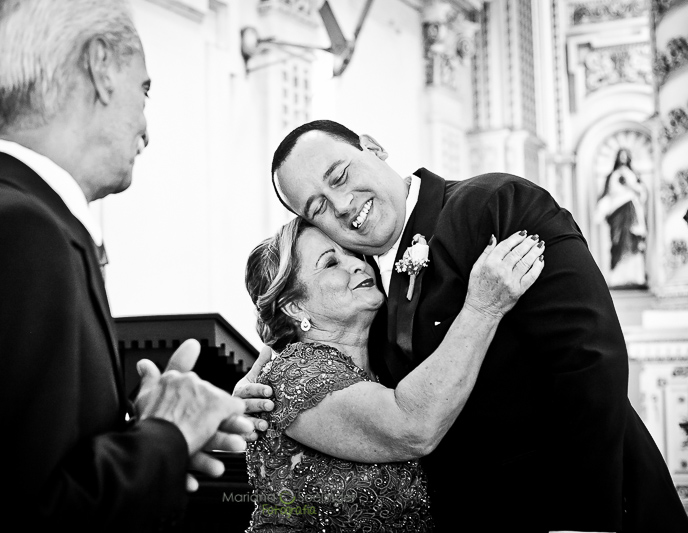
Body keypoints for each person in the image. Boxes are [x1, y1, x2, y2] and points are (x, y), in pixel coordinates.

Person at [0, 1, 252, 530]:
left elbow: (2, 467)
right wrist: (168, 435)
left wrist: (143, 433)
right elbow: (24, 514)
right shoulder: (18, 234)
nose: (146, 129)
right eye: (144, 90)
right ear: (101, 67)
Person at [236, 120, 688, 532]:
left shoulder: (494, 204)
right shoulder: (364, 291)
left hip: (582, 512)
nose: (341, 204)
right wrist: (256, 385)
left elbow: (588, 357)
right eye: (317, 208)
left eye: (339, 176)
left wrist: (584, 522)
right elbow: (329, 368)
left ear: (373, 148)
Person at [243, 220, 543, 531]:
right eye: (331, 262)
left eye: (352, 253)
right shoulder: (292, 377)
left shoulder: (379, 369)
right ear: (293, 306)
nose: (357, 264)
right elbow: (413, 425)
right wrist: (484, 308)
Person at [595, 148, 648, 287]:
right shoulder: (612, 176)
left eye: (626, 156)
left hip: (630, 211)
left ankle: (635, 277)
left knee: (632, 243)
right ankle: (618, 277)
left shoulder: (633, 175)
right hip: (616, 214)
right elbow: (606, 194)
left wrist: (630, 185)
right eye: (621, 156)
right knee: (617, 242)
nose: (623, 159)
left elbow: (642, 194)